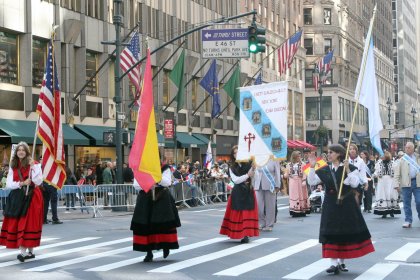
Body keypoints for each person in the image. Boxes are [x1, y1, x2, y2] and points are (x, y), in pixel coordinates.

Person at [307, 144, 375, 274]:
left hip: (346, 203)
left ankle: (342, 262)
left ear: (338, 154)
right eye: (329, 152)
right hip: (330, 204)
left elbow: (355, 183)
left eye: (331, 152)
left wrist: (348, 169)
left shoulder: (349, 168)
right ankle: (333, 264)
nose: (329, 154)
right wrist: (311, 166)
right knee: (331, 232)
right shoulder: (325, 169)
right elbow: (312, 182)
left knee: (344, 231)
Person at [0, 142, 44, 262]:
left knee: (29, 223)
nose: (20, 152)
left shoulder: (34, 164)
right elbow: (9, 184)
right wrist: (22, 183)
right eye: (19, 150)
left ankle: (28, 251)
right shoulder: (12, 165)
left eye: (23, 150)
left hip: (33, 197)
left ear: (27, 152)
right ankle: (24, 251)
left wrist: (33, 166)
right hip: (18, 197)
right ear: (16, 152)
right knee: (20, 222)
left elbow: (39, 181)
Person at [130, 163, 181, 262]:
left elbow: (167, 182)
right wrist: (147, 182)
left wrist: (155, 177)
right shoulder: (140, 168)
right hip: (145, 197)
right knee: (146, 224)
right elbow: (136, 185)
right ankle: (148, 252)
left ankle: (166, 245)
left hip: (161, 197)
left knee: (163, 223)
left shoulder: (164, 168)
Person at [219, 145, 259, 243]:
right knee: (238, 214)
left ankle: (246, 234)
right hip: (238, 191)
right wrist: (247, 175)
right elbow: (236, 180)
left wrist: (254, 169)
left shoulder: (249, 163)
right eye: (235, 153)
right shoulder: (231, 166)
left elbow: (256, 176)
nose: (237, 154)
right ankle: (240, 233)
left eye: (238, 152)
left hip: (248, 190)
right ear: (232, 155)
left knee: (247, 213)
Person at [394, 142, 420, 228]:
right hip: (406, 183)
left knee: (419, 201)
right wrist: (396, 184)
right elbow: (397, 173)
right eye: (406, 147)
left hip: (417, 182)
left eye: (409, 147)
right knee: (406, 203)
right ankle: (408, 220)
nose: (407, 149)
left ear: (413, 149)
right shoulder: (402, 159)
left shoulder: (418, 158)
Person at [253, 160, 281, 231]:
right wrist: (253, 184)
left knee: (270, 206)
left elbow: (277, 173)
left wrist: (277, 185)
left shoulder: (274, 159)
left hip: (270, 185)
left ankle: (269, 224)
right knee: (258, 205)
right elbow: (254, 172)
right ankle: (261, 223)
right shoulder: (257, 158)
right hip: (258, 185)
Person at [373, 151, 400, 218]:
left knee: (390, 194)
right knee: (383, 195)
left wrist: (397, 182)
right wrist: (374, 175)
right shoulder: (378, 163)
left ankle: (391, 211)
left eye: (383, 155)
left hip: (391, 180)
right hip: (382, 181)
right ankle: (384, 212)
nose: (381, 156)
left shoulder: (393, 163)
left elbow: (396, 172)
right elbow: (376, 171)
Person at [284, 151, 310, 217]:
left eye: (300, 156)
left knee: (301, 195)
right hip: (292, 181)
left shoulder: (303, 164)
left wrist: (304, 180)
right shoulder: (288, 164)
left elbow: (305, 173)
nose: (299, 157)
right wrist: (284, 175)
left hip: (300, 181)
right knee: (294, 195)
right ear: (294, 157)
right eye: (298, 156)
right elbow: (286, 174)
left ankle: (302, 209)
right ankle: (294, 210)